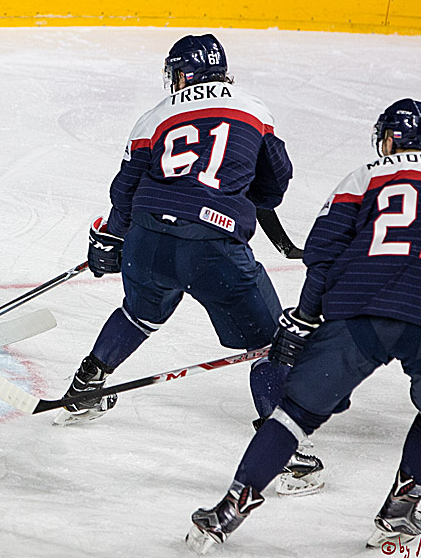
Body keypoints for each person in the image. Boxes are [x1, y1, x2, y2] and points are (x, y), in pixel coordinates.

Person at [186, 99, 421, 554]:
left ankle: (227, 511)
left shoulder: (363, 177)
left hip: (361, 312)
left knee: (294, 413)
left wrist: (305, 318)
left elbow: (322, 256)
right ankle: (399, 512)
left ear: (390, 138)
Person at [59, 33, 322, 493]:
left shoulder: (155, 116)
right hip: (213, 246)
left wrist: (111, 236)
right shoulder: (255, 109)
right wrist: (238, 193)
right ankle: (283, 456)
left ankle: (87, 383)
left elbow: (124, 190)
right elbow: (275, 184)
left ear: (181, 73)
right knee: (270, 344)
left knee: (139, 312)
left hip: (148, 239)